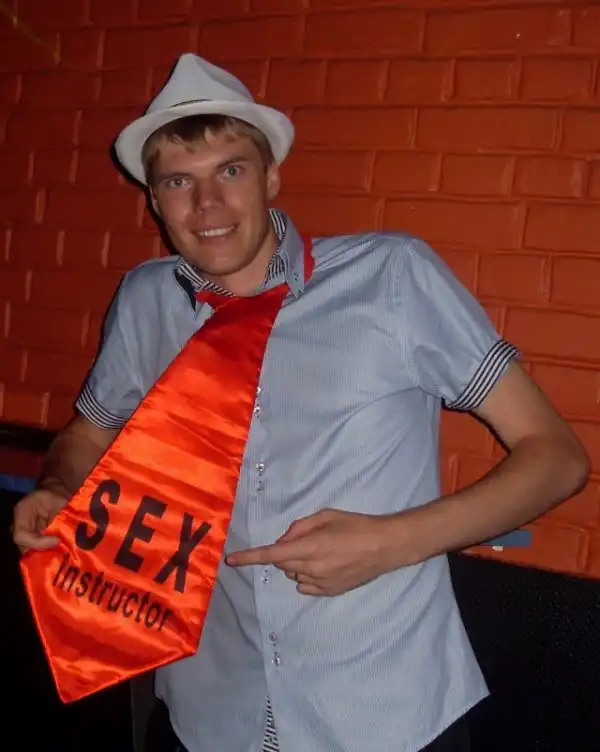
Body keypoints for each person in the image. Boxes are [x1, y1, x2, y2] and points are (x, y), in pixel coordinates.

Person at [12, 53, 589, 752]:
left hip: (385, 712)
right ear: (155, 202)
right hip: (210, 710)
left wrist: (391, 542)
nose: (207, 204)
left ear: (271, 177)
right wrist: (58, 486)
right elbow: (86, 436)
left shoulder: (392, 277)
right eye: (178, 182)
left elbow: (557, 458)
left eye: (231, 170)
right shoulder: (144, 302)